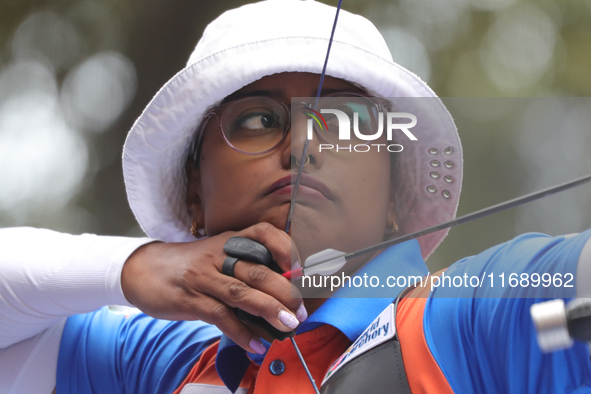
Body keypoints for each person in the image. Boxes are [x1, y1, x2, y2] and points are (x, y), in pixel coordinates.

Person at [1, 1, 590, 393]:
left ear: (395, 194)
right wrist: (135, 268)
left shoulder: (475, 318)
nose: (303, 146)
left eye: (342, 120)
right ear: (193, 197)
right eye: (257, 120)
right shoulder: (159, 361)